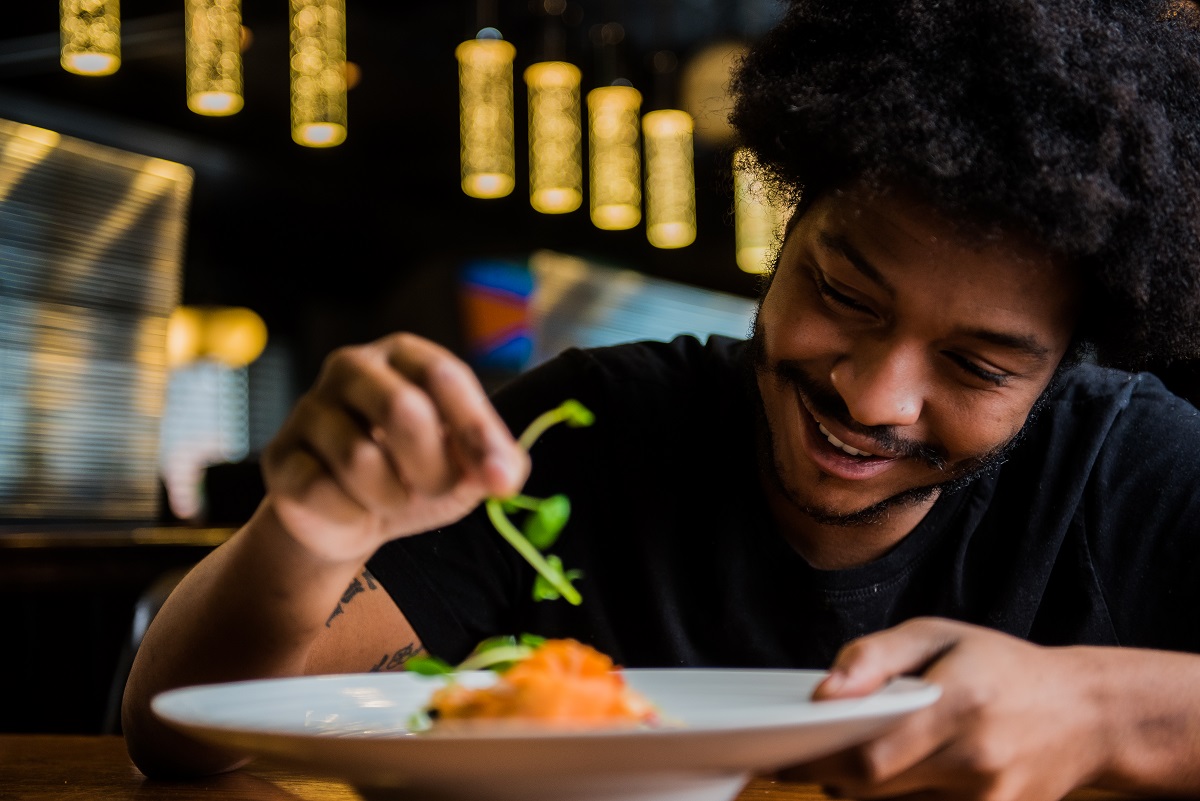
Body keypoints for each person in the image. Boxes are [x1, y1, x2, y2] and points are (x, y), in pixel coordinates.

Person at [123, 0, 1200, 797]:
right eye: (840, 294)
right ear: (780, 242)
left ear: (1065, 368)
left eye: (977, 367)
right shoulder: (590, 430)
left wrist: (1101, 706)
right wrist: (310, 528)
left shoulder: (1134, 462)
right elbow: (185, 736)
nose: (873, 396)